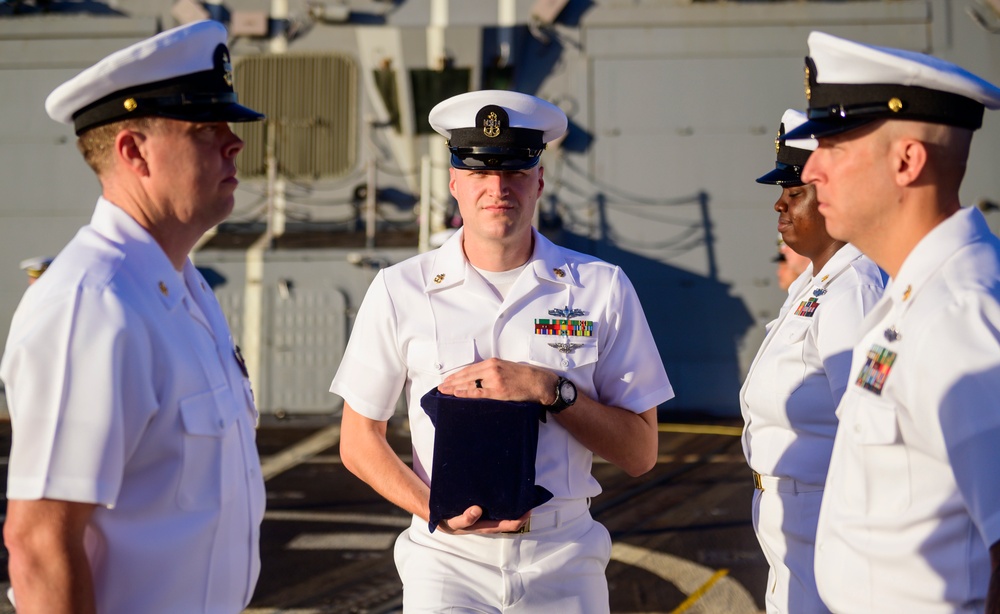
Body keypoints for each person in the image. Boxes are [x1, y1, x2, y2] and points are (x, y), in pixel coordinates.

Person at [330, 89, 674, 613]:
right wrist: (434, 508)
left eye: (514, 171)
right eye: (479, 172)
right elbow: (358, 441)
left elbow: (640, 453)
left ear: (539, 179)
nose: (497, 188)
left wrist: (549, 390)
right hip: (445, 559)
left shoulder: (600, 288)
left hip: (564, 556)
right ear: (453, 183)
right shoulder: (401, 289)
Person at [0, 21, 266, 613]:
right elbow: (39, 541)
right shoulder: (94, 305)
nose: (234, 142)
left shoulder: (182, 289)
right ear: (133, 151)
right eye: (205, 129)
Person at [784, 31, 1000, 612]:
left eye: (834, 145)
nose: (813, 170)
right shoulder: (914, 299)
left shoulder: (962, 315)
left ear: (907, 161)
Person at [740, 108, 885, 614]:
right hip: (795, 518)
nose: (779, 203)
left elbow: (867, 428)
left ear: (834, 194)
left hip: (825, 520)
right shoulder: (816, 284)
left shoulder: (855, 290)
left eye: (795, 192)